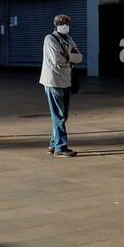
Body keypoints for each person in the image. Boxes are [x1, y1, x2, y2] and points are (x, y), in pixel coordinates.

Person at [39, 13, 83, 157]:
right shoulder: (50, 39)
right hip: (53, 81)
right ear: (56, 25)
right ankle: (60, 148)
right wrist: (70, 57)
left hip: (66, 80)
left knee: (63, 115)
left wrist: (68, 56)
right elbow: (57, 59)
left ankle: (53, 144)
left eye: (68, 23)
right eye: (63, 23)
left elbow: (80, 57)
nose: (66, 26)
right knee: (59, 116)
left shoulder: (69, 39)